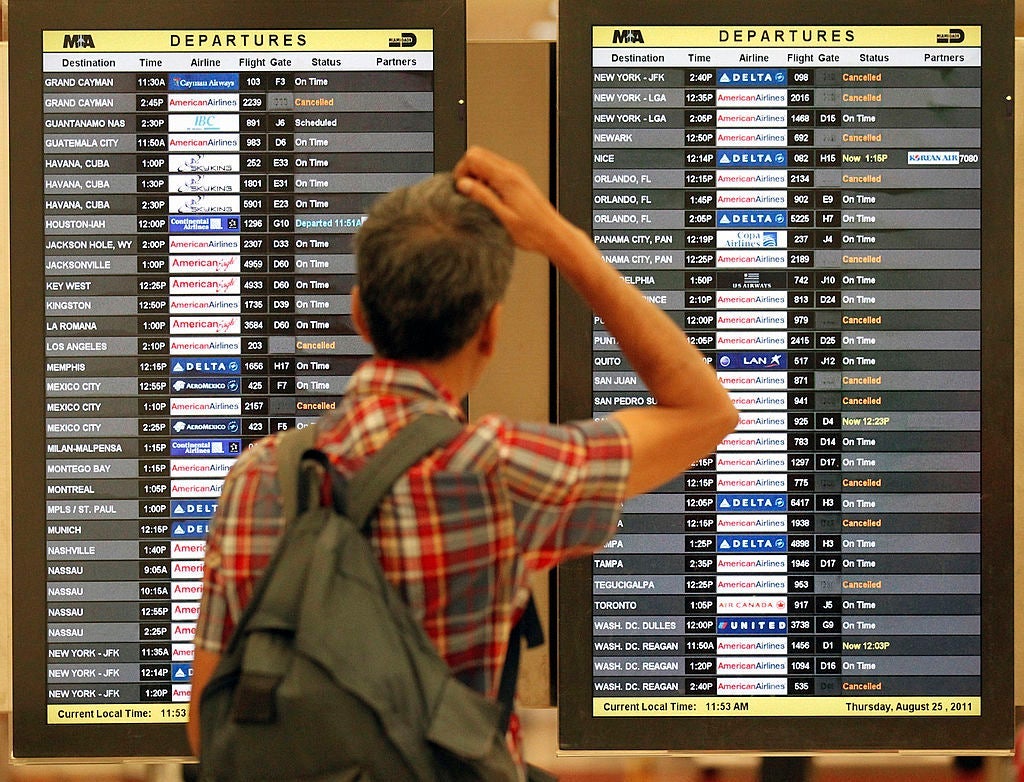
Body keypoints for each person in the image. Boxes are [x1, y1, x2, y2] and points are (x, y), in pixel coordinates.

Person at [187, 146, 738, 768]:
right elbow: (704, 412)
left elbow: (210, 723)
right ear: (490, 329)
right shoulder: (499, 470)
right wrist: (563, 241)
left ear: (359, 312)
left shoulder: (260, 474)